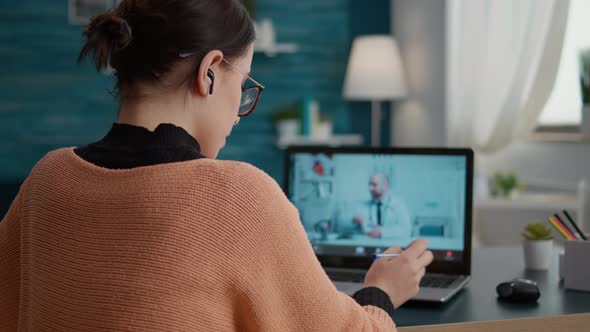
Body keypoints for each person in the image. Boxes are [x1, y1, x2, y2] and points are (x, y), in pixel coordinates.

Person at [0, 1, 432, 330]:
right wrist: (382, 291)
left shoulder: (46, 178)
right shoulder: (237, 196)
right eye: (243, 85)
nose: (239, 110)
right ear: (209, 72)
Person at [353, 173, 412, 239]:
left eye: (374, 185)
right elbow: (359, 230)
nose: (370, 188)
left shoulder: (399, 204)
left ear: (385, 185)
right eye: (369, 185)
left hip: (392, 246)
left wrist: (382, 232)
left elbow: (406, 230)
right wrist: (357, 223)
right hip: (369, 245)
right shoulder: (364, 206)